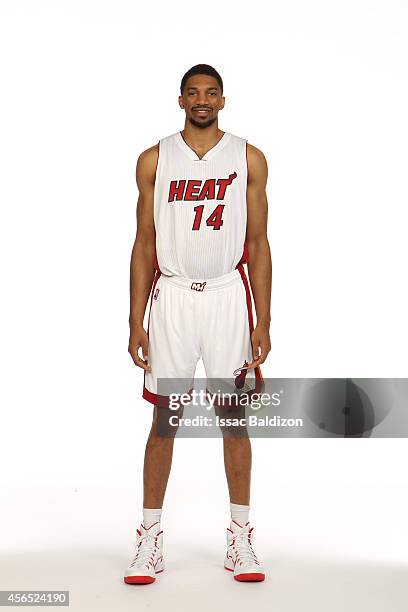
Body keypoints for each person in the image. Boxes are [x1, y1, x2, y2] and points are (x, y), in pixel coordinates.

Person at [125, 64, 272, 584]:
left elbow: (257, 244)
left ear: (223, 101)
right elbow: (144, 243)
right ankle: (149, 540)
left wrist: (265, 320)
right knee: (165, 422)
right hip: (174, 300)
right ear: (181, 100)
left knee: (233, 420)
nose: (202, 100)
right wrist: (135, 318)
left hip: (229, 298)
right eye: (194, 92)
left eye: (211, 92)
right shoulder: (154, 159)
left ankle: (241, 539)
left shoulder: (247, 157)